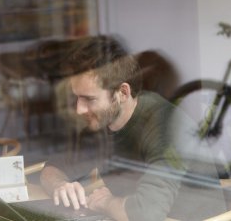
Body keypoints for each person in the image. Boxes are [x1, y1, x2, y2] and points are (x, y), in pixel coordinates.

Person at [40, 35, 185, 221]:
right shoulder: (102, 121)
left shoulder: (166, 126)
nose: (79, 109)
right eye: (77, 97)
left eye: (89, 99)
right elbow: (53, 168)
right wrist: (61, 186)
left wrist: (106, 202)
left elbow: (145, 214)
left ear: (123, 93)